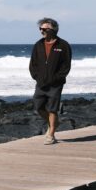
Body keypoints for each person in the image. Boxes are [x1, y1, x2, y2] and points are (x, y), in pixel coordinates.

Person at [28, 17, 72, 145]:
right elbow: (33, 64)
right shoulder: (38, 45)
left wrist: (56, 78)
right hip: (41, 82)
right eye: (40, 29)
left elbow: (66, 66)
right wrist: (36, 76)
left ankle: (51, 134)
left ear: (54, 29)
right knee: (38, 106)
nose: (42, 31)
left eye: (45, 29)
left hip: (55, 84)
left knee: (53, 109)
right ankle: (53, 123)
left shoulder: (63, 45)